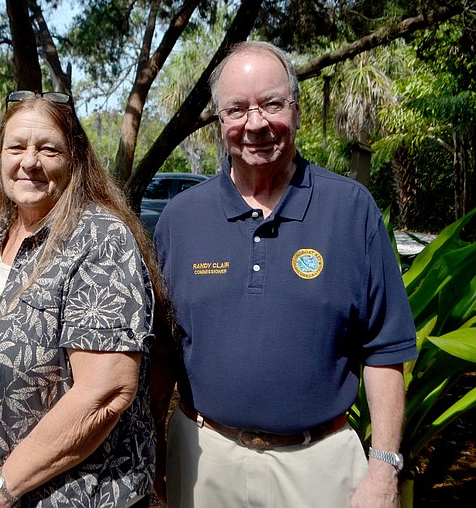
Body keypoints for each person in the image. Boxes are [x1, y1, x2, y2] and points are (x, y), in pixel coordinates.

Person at [154, 41, 418, 508]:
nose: (255, 124)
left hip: (320, 465)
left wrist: (383, 468)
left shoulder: (351, 210)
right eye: (237, 109)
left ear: (296, 111)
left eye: (272, 104)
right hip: (204, 461)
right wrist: (153, 447)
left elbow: (385, 348)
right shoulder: (181, 219)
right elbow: (162, 354)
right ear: (220, 123)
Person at [0, 90, 169, 507]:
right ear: (0, 157)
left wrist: (2, 486)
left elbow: (104, 392)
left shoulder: (99, 240)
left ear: (74, 161)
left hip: (72, 495)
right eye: (16, 147)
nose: (29, 162)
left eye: (48, 149)